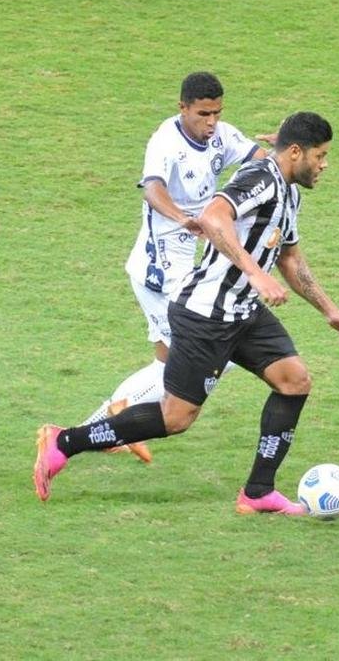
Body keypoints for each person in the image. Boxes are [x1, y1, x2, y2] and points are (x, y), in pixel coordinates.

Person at [35, 111, 339, 514]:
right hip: (204, 314)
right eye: (321, 155)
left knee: (294, 380)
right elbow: (213, 217)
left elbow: (291, 259)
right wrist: (253, 273)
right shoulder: (260, 179)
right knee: (175, 418)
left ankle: (258, 492)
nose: (324, 165)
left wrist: (330, 311)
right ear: (295, 152)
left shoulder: (289, 194)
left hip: (243, 312)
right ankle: (64, 441)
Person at [80, 71, 266, 464]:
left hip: (182, 269)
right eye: (203, 114)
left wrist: (281, 150)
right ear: (182, 108)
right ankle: (107, 419)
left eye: (217, 113)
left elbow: (259, 161)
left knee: (169, 363)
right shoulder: (165, 142)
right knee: (219, 349)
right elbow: (153, 189)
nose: (211, 122)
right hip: (161, 272)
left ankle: (115, 422)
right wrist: (183, 219)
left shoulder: (221, 134)